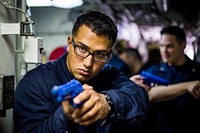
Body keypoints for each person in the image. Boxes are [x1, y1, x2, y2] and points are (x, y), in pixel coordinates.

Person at [14, 10, 150, 133]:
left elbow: (139, 97)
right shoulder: (36, 83)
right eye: (82, 49)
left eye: (100, 54)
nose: (88, 63)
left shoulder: (109, 74)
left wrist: (107, 101)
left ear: (108, 56)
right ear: (69, 43)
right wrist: (66, 117)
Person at [130, 25, 200, 133]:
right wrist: (187, 86)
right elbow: (150, 94)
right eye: (161, 46)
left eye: (169, 46)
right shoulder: (153, 71)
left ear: (183, 45)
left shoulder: (197, 71)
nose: (164, 51)